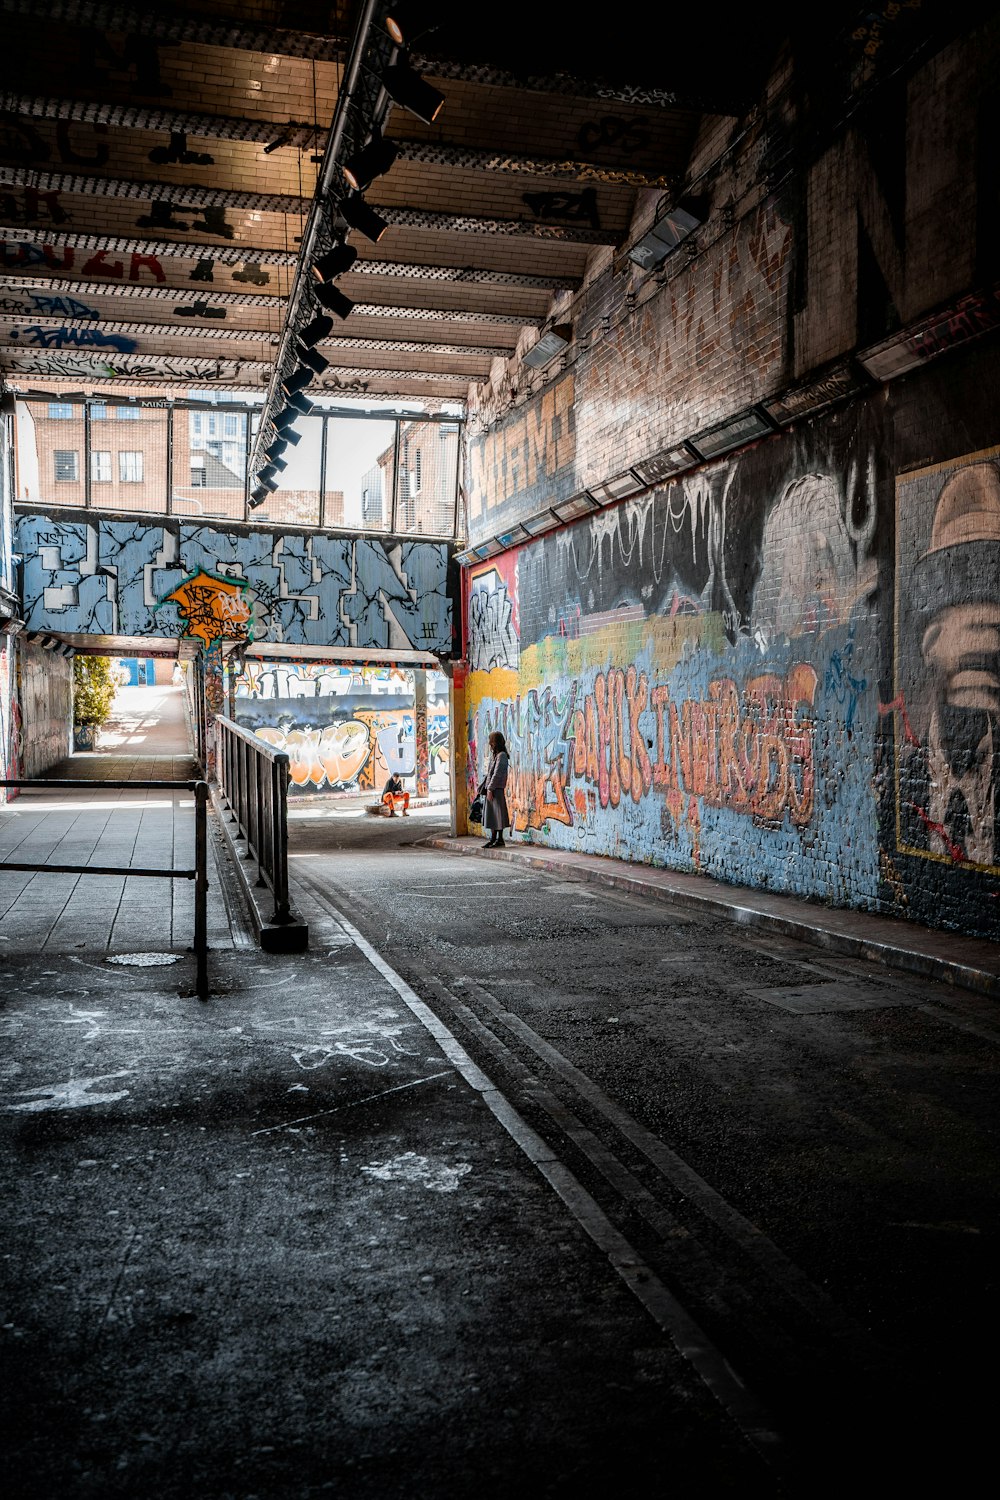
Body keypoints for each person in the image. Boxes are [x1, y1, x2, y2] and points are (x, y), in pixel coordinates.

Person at [478, 730, 511, 849]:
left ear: (496, 742)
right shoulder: (497, 755)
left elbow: (497, 774)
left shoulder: (501, 756)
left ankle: (498, 839)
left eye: (491, 741)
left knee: (497, 816)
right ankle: (494, 839)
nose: (489, 744)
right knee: (493, 816)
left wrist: (490, 789)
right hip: (492, 789)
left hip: (496, 789)